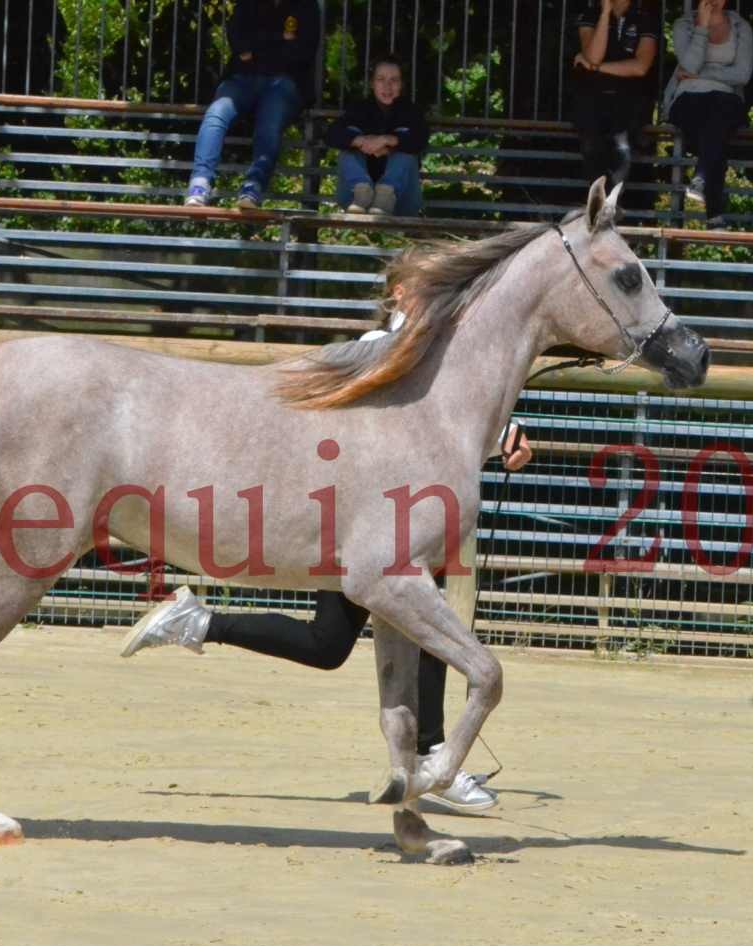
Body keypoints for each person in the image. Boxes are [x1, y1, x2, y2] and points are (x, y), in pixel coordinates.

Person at [121, 308, 533, 815]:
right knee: (363, 639)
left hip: (386, 525)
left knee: (336, 643)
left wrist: (501, 438)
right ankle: (431, 760)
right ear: (399, 295)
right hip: (365, 525)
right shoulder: (382, 347)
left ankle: (200, 622)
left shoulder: (431, 358)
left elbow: (441, 424)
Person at [185, 0, 319, 209]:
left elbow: (302, 53)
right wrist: (278, 40)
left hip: (284, 83)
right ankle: (199, 183)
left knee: (269, 123)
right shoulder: (247, 4)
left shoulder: (306, 7)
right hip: (241, 78)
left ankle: (253, 186)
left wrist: (256, 51)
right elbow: (238, 41)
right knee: (216, 113)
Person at [663, 0, 753, 228]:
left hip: (725, 101)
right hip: (687, 99)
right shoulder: (683, 25)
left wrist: (704, 73)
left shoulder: (741, 27)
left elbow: (743, 75)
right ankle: (713, 210)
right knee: (716, 130)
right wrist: (702, 27)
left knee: (719, 114)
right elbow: (690, 64)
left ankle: (701, 178)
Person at [570, 0, 660, 212]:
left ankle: (612, 205)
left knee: (623, 147)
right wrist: (605, 14)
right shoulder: (590, 14)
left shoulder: (645, 19)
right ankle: (597, 204)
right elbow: (593, 53)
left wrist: (595, 68)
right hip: (592, 100)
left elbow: (640, 67)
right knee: (592, 145)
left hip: (629, 100)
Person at [324, 54, 429, 217]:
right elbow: (332, 134)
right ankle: (363, 191)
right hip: (355, 201)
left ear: (401, 85)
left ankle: (385, 195)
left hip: (401, 201)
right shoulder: (359, 109)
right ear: (372, 83)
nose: (387, 86)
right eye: (381, 79)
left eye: (394, 80)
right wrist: (361, 142)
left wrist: (387, 141)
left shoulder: (412, 112)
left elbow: (420, 140)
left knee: (406, 149)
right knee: (349, 145)